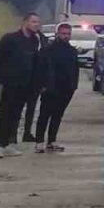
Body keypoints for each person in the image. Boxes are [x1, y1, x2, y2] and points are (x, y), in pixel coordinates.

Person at [0, 13, 43, 158]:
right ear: (25, 22)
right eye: (33, 22)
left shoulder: (34, 41)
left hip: (25, 84)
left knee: (16, 114)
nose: (36, 25)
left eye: (38, 22)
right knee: (4, 113)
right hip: (8, 83)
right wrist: (5, 73)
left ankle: (8, 143)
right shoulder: (10, 38)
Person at [34, 23, 80, 153]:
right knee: (44, 114)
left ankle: (52, 140)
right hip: (50, 88)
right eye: (63, 33)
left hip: (66, 89)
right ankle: (39, 141)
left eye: (68, 34)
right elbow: (40, 69)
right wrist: (42, 86)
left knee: (58, 115)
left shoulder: (72, 51)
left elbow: (75, 70)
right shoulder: (47, 51)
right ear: (57, 34)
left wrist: (73, 86)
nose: (66, 36)